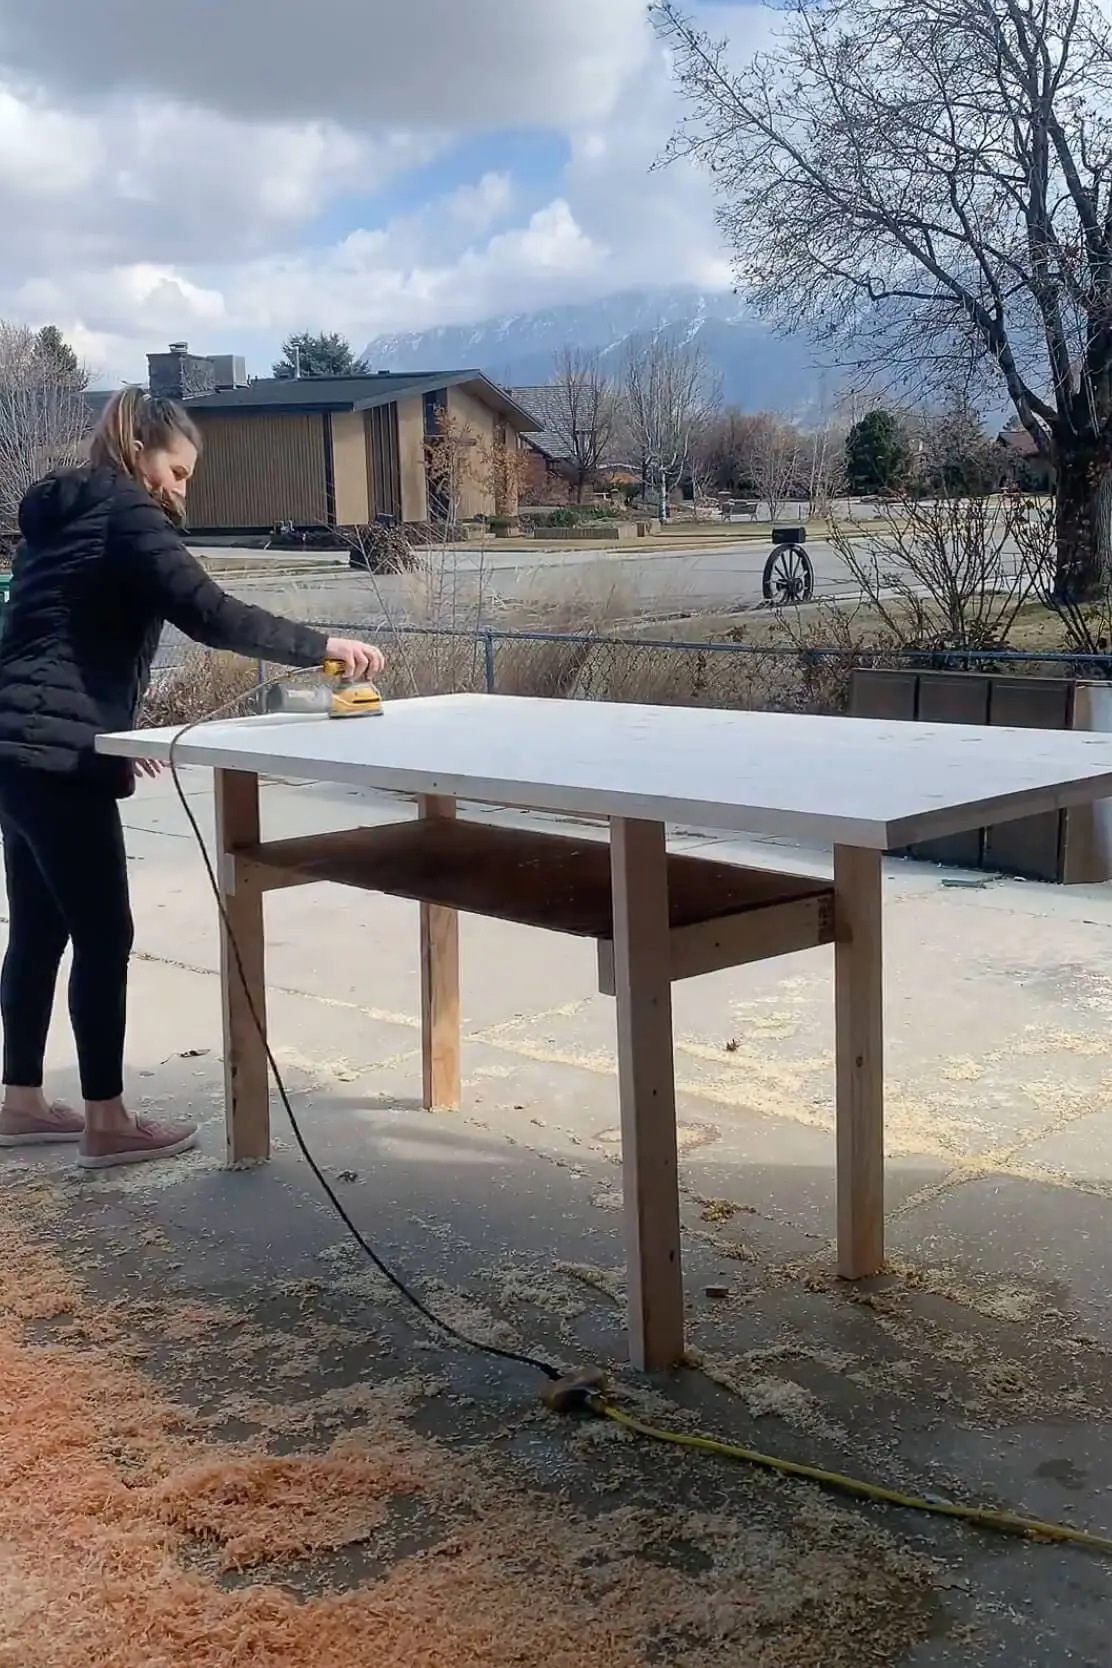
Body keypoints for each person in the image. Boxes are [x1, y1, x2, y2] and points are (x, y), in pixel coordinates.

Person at [0, 387, 384, 1168]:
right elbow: (209, 612)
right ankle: (106, 1123)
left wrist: (111, 731)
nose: (181, 490)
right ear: (141, 453)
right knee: (105, 933)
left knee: (40, 929)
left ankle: (21, 1104)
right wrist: (323, 646)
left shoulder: (57, 520)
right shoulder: (127, 513)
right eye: (177, 471)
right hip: (55, 758)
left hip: (13, 748)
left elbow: (52, 641)